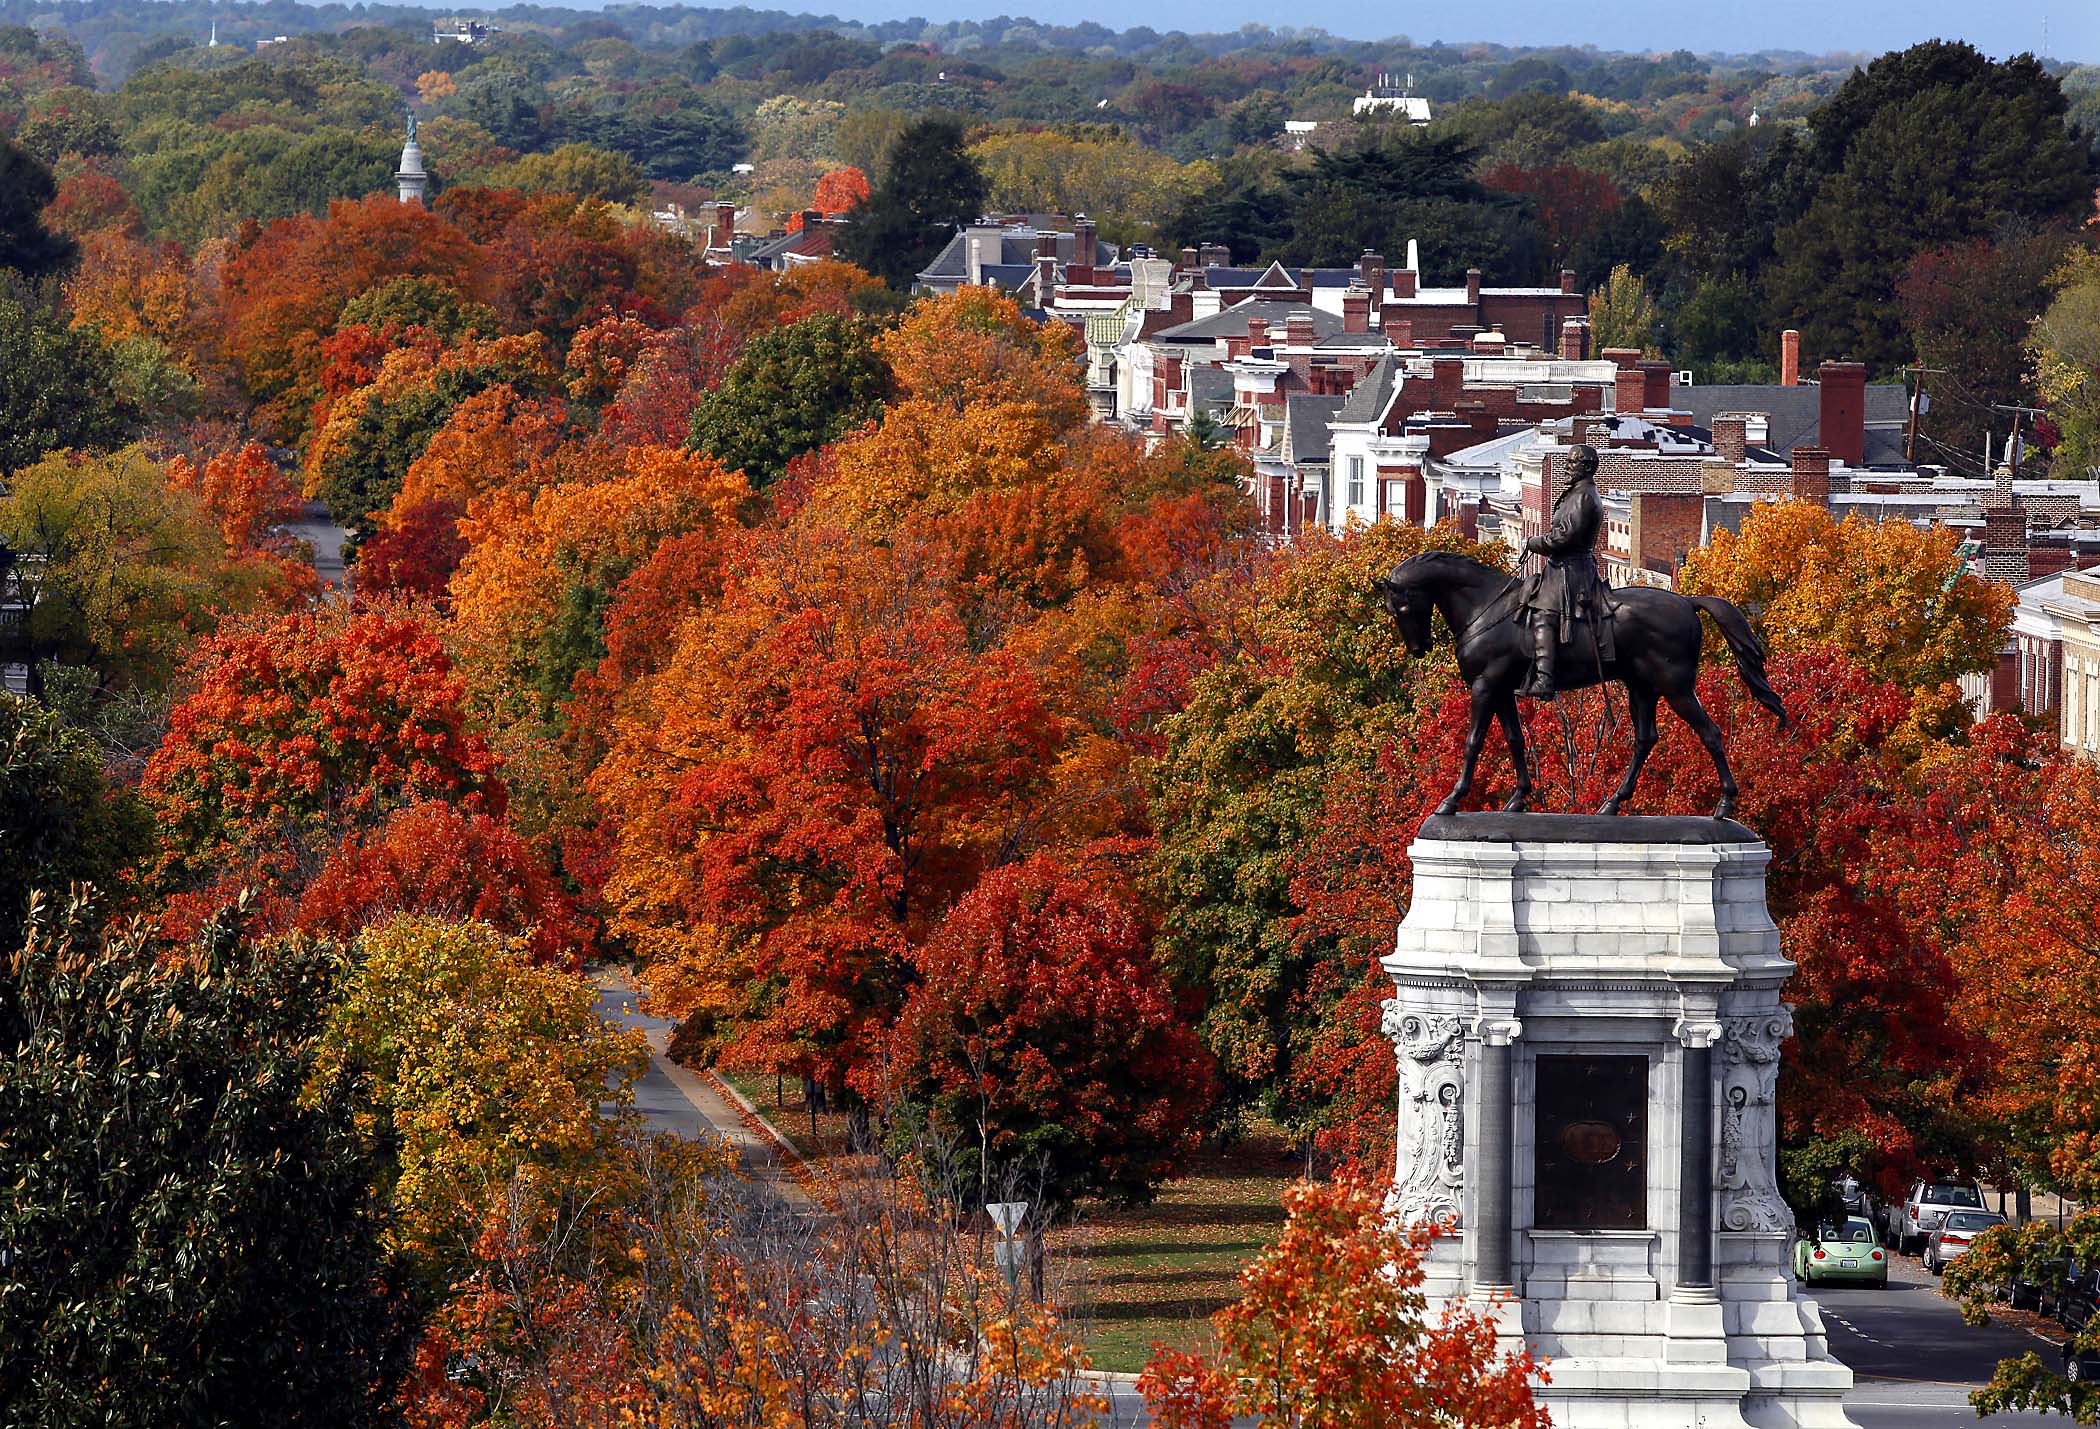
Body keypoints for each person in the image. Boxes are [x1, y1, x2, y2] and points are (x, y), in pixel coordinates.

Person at [1519, 443, 1606, 699]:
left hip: (1572, 569)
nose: (1567, 467)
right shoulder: (1576, 493)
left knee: (1544, 614)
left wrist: (1535, 542)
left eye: (1573, 463)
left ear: (1588, 467)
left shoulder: (1583, 497)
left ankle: (1545, 679)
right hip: (1562, 566)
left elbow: (1565, 537)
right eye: (1567, 462)